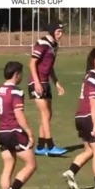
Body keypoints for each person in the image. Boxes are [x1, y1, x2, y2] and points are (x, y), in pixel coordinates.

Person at [61, 48, 95, 189]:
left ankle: (71, 172)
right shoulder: (94, 79)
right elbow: (93, 102)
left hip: (81, 117)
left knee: (90, 150)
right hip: (88, 117)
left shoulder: (88, 77)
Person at [0, 61, 37, 189]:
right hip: (14, 132)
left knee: (8, 165)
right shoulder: (16, 92)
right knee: (31, 164)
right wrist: (29, 132)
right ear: (16, 74)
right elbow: (19, 114)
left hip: (1, 133)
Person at [29, 21, 67, 156]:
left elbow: (49, 66)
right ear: (51, 31)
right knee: (45, 114)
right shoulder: (42, 43)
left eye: (62, 32)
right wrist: (37, 82)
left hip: (45, 82)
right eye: (58, 32)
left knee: (48, 114)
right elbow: (32, 63)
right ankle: (50, 146)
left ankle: (40, 147)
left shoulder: (54, 45)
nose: (61, 35)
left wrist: (56, 82)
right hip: (37, 82)